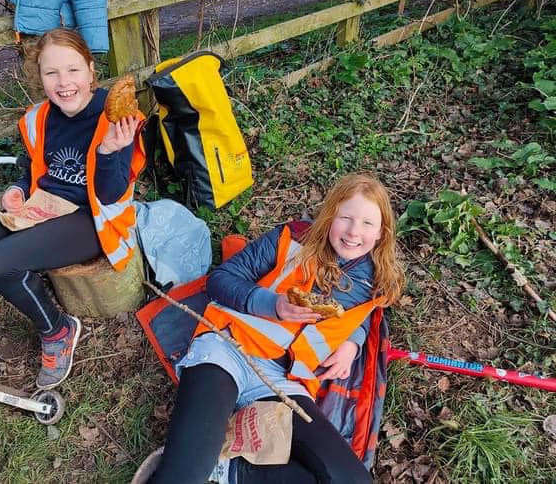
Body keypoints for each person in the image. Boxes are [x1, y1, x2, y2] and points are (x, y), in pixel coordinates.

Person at [0, 28, 145, 407]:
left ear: (90, 70)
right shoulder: (38, 119)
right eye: (52, 73)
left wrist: (113, 150)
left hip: (91, 220)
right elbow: (36, 170)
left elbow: (113, 193)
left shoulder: (116, 117)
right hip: (44, 207)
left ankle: (58, 330)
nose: (64, 83)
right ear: (40, 77)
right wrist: (18, 189)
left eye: (73, 71)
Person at [136, 173, 405, 484]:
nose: (354, 232)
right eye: (346, 218)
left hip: (284, 381)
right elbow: (220, 280)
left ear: (382, 233)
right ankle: (196, 465)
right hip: (227, 350)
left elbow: (366, 312)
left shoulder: (376, 278)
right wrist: (272, 304)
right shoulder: (291, 240)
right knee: (182, 477)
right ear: (330, 216)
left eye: (367, 224)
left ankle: (228, 472)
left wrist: (353, 342)